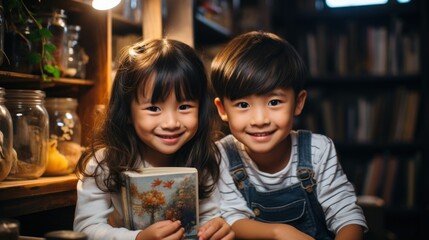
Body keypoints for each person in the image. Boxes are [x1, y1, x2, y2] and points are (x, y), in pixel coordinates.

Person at [210, 31, 368, 240]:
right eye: (243, 105)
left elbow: (347, 215)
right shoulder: (221, 155)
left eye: (274, 102)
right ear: (222, 109)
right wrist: (279, 232)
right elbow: (232, 218)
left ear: (298, 102)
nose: (259, 119)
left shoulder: (318, 150)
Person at [74, 38, 234, 240]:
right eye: (153, 108)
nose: (170, 123)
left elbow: (211, 218)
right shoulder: (103, 164)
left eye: (184, 107)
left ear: (201, 109)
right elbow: (85, 229)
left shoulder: (204, 158)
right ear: (127, 112)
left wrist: (218, 228)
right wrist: (139, 238)